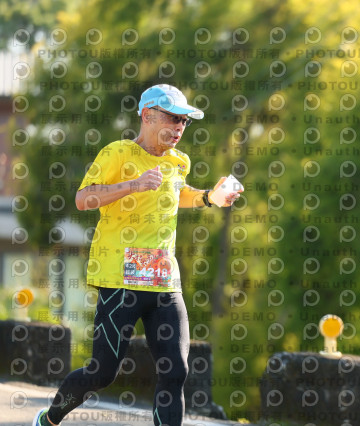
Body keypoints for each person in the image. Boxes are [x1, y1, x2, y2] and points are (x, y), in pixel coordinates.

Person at [33, 84, 242, 426]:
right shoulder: (118, 153)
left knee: (176, 371)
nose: (179, 127)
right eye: (172, 118)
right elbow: (84, 199)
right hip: (120, 280)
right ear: (147, 116)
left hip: (163, 280)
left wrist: (209, 197)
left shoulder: (179, 161)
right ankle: (50, 418)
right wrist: (133, 184)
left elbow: (175, 193)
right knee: (102, 372)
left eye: (184, 121)